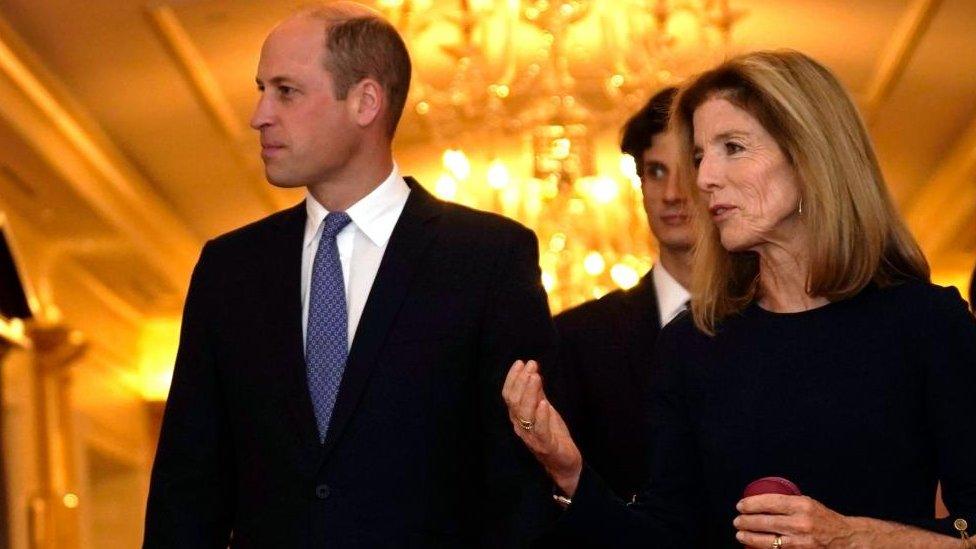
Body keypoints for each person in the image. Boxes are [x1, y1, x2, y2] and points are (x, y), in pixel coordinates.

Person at [504, 49, 976, 548]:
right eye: (701, 156)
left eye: (733, 147)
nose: (704, 179)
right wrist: (570, 472)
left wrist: (850, 537)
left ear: (811, 155)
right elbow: (666, 537)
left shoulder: (927, 323)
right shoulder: (692, 344)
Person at [144, 3, 557, 546]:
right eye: (261, 89)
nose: (259, 114)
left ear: (365, 102)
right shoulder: (230, 271)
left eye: (285, 91)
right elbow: (188, 487)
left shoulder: (487, 258)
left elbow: (519, 482)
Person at [552, 87, 694, 502]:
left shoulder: (774, 316)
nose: (671, 194)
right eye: (656, 172)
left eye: (689, 168)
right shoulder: (578, 337)